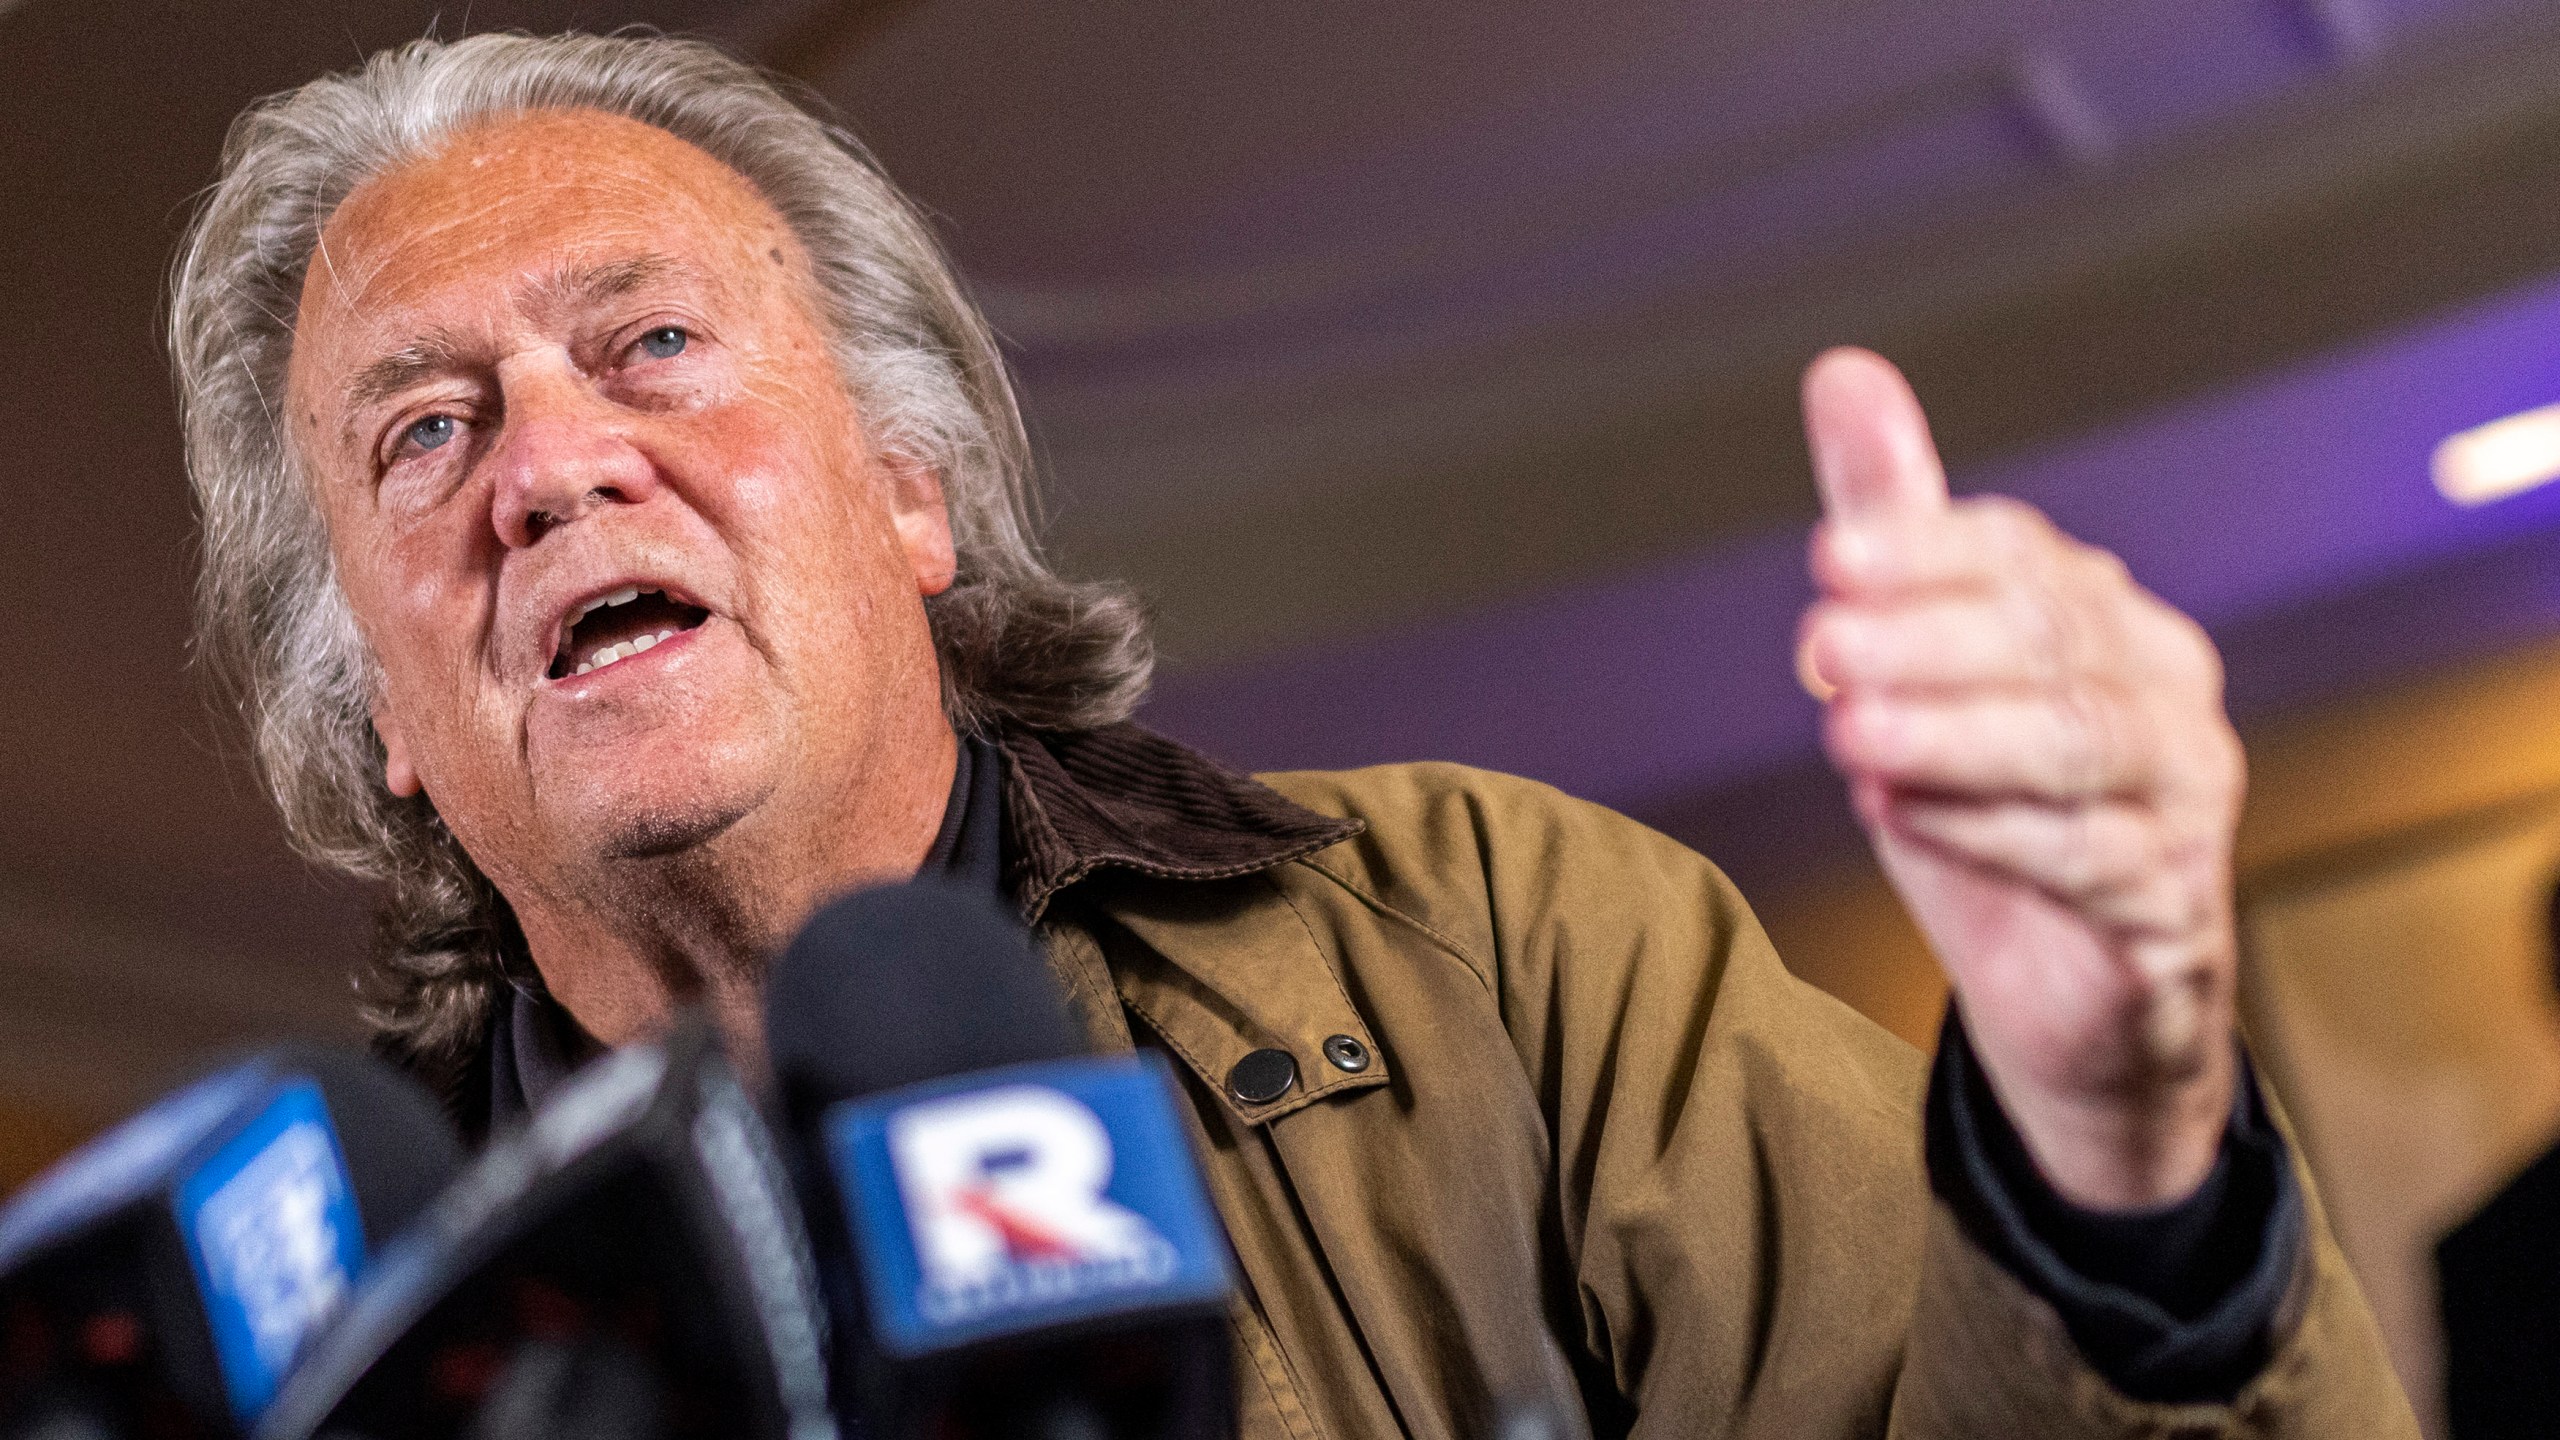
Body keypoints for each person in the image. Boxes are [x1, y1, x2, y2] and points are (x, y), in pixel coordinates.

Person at [167, 32, 2413, 1438]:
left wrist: (2117, 1161)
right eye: (427, 431)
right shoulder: (296, 1341)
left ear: (911, 488)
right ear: (374, 707)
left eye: (649, 342)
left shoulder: (1498, 951)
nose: (545, 468)